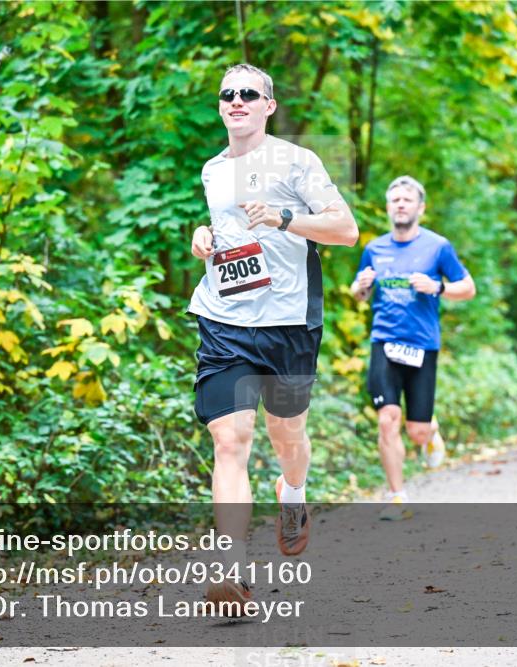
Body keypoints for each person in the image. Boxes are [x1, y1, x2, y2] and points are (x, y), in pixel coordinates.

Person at [188, 64, 358, 611]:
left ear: (269, 105)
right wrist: (204, 236)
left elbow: (346, 230)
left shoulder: (296, 161)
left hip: (288, 321)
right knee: (229, 440)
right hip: (224, 319)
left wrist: (285, 218)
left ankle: (294, 493)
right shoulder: (213, 170)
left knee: (287, 436)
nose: (236, 101)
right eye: (227, 94)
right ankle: (231, 573)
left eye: (248, 93)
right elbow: (228, 230)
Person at [350, 176, 475, 520]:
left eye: (407, 199)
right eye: (395, 200)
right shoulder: (374, 249)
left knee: (415, 431)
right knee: (387, 419)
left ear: (421, 208)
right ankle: (397, 496)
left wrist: (438, 288)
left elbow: (468, 288)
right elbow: (359, 293)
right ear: (388, 207)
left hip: (422, 344)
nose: (401, 204)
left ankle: (429, 431)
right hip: (384, 342)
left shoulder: (438, 247)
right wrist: (360, 287)